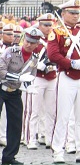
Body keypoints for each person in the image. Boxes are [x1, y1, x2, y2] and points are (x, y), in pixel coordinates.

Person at [0, 27, 42, 165]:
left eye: (32, 42)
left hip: (14, 91)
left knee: (16, 122)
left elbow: (30, 76)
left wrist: (29, 86)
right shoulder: (10, 51)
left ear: (37, 44)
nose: (28, 44)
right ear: (24, 40)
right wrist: (18, 77)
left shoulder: (34, 58)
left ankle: (9, 156)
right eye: (27, 41)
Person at [47, 0, 80, 163]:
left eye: (77, 13)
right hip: (67, 75)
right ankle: (58, 150)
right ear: (64, 13)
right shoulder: (57, 31)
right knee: (63, 115)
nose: (75, 16)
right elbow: (52, 54)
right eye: (72, 13)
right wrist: (71, 63)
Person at [26, 13, 56, 150]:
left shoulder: (56, 38)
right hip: (37, 76)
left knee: (51, 110)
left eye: (51, 25)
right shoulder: (35, 39)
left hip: (52, 76)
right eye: (46, 25)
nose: (49, 27)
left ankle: (49, 137)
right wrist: (37, 66)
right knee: (35, 110)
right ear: (39, 25)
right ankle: (31, 138)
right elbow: (26, 57)